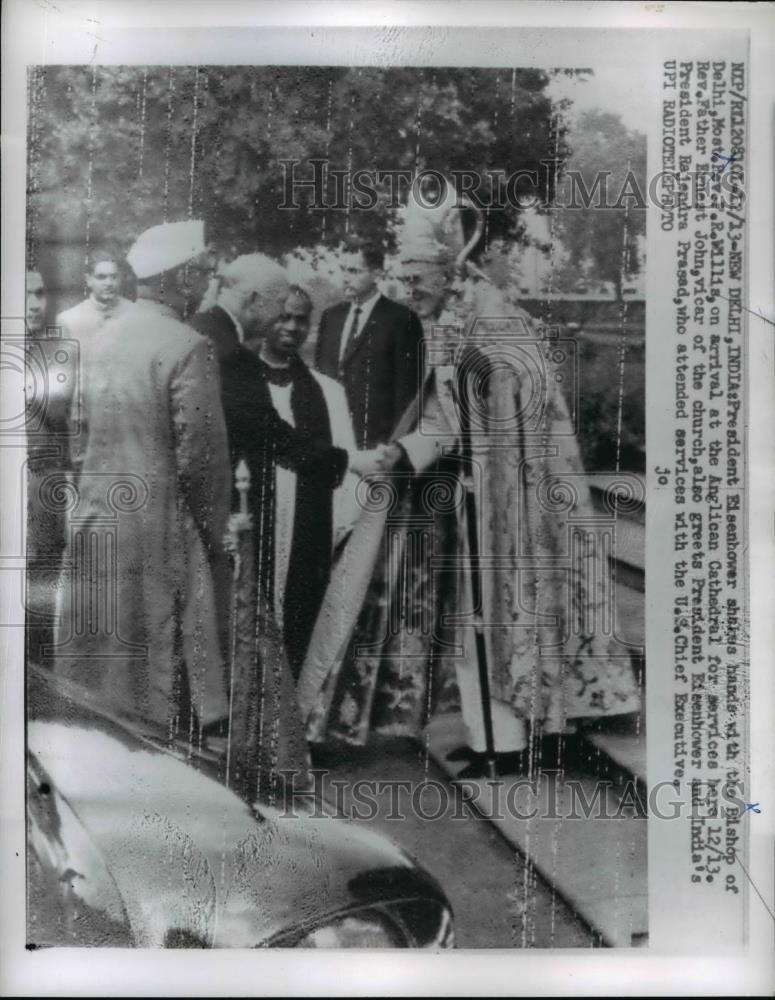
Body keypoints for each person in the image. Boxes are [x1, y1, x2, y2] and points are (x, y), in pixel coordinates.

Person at [301, 195, 641, 775]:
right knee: (473, 622)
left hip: (512, 499)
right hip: (471, 495)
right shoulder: (446, 320)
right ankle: (491, 737)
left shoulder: (491, 318)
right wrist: (403, 452)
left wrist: (426, 451)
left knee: (501, 617)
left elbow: (492, 417)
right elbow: (445, 417)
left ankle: (510, 744)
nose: (408, 292)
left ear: (447, 270)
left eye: (417, 279)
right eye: (402, 280)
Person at [53, 220, 231, 741]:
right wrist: (212, 532)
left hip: (94, 513)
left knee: (97, 657)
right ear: (180, 276)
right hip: (157, 522)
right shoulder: (187, 344)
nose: (204, 285)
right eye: (200, 274)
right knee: (158, 657)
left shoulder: (96, 334)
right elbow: (202, 460)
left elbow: (78, 434)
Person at [251, 285, 359, 679]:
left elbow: (345, 469)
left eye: (301, 319)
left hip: (306, 532)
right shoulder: (240, 383)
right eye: (283, 316)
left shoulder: (328, 393)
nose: (292, 327)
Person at [314, 236, 424, 448]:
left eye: (354, 271)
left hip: (375, 441)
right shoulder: (331, 317)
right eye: (344, 270)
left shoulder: (401, 320)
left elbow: (407, 394)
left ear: (377, 274)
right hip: (330, 437)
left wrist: (395, 447)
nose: (346, 278)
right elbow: (320, 378)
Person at [25, 266, 71, 661]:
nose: (35, 304)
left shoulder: (56, 353)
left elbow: (62, 419)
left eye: (40, 294)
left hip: (42, 493)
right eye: (26, 294)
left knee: (40, 601)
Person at [56, 246, 133, 344]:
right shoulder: (68, 320)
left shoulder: (137, 315)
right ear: (89, 280)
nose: (109, 283)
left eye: (114, 277)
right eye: (101, 277)